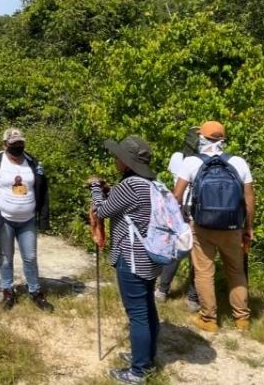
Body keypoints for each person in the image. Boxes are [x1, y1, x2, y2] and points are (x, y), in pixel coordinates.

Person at [89, 135, 164, 384]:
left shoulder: (130, 185)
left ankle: (139, 371)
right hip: (149, 257)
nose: (114, 159)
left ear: (127, 162)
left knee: (137, 315)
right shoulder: (151, 183)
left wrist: (95, 189)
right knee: (148, 309)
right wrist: (109, 191)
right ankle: (146, 357)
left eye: (118, 156)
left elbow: (102, 210)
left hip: (131, 258)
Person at [173, 120, 255, 333]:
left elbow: (177, 196)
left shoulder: (191, 162)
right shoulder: (239, 162)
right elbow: (249, 200)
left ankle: (208, 319)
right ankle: (242, 319)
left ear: (202, 138)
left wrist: (177, 221)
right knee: (236, 271)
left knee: (204, 272)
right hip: (232, 226)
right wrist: (248, 227)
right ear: (222, 139)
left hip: (202, 226)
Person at [0, 127, 53, 312]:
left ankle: (35, 291)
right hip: (4, 219)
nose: (18, 147)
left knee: (30, 257)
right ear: (4, 145)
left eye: (21, 143)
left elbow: (43, 190)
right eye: (13, 144)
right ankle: (8, 291)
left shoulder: (33, 162)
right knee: (5, 257)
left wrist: (43, 217)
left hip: (27, 219)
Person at [156, 126, 200, 312]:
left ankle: (162, 290)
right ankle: (193, 299)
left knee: (175, 251)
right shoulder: (204, 161)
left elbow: (176, 184)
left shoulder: (176, 157)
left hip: (179, 210)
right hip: (200, 212)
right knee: (198, 256)